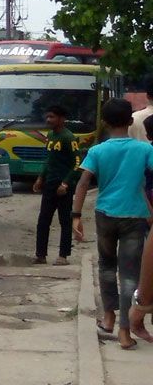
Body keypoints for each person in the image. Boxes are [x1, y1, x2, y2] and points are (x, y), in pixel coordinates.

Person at [73, 99, 153, 350]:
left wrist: (76, 215)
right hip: (135, 216)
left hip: (105, 214)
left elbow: (84, 183)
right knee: (130, 273)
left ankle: (108, 317)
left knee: (107, 266)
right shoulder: (145, 150)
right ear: (131, 121)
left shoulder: (97, 151)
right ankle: (124, 331)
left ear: (105, 123)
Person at [32, 106, 80, 266]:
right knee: (43, 219)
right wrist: (40, 178)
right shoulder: (51, 136)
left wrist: (66, 183)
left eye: (52, 117)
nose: (48, 120)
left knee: (64, 220)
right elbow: (49, 159)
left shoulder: (69, 137)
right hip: (50, 184)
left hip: (63, 187)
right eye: (47, 117)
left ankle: (63, 255)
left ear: (61, 119)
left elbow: (77, 163)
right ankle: (40, 255)